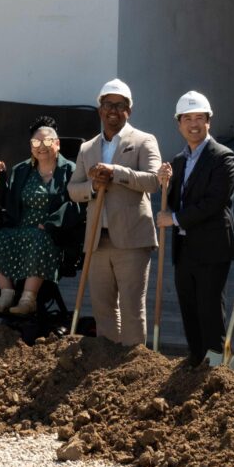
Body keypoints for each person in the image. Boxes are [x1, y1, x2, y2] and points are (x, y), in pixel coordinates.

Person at [69, 78, 169, 346]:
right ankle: (106, 371)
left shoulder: (144, 141)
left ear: (129, 110)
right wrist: (93, 186)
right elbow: (72, 189)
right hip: (97, 240)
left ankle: (132, 370)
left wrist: (117, 173)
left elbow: (152, 181)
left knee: (132, 309)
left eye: (120, 105)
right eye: (107, 104)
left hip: (132, 238)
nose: (113, 110)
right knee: (103, 309)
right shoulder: (87, 148)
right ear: (99, 109)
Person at [156, 91, 234, 367]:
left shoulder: (223, 157)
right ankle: (195, 360)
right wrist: (164, 183)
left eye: (199, 118)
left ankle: (216, 368)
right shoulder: (177, 162)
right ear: (178, 123)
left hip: (212, 247)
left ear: (209, 122)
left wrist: (174, 218)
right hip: (185, 249)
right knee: (189, 308)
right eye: (187, 118)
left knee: (210, 309)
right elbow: (176, 198)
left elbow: (213, 203)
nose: (193, 124)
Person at [0, 116, 82, 316]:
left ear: (57, 143)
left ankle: (29, 299)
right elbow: (7, 201)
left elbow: (76, 204)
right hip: (21, 226)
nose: (41, 146)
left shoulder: (71, 170)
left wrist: (51, 223)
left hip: (52, 232)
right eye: (36, 142)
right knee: (0, 236)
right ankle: (6, 296)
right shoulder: (21, 170)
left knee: (38, 237)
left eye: (46, 141)